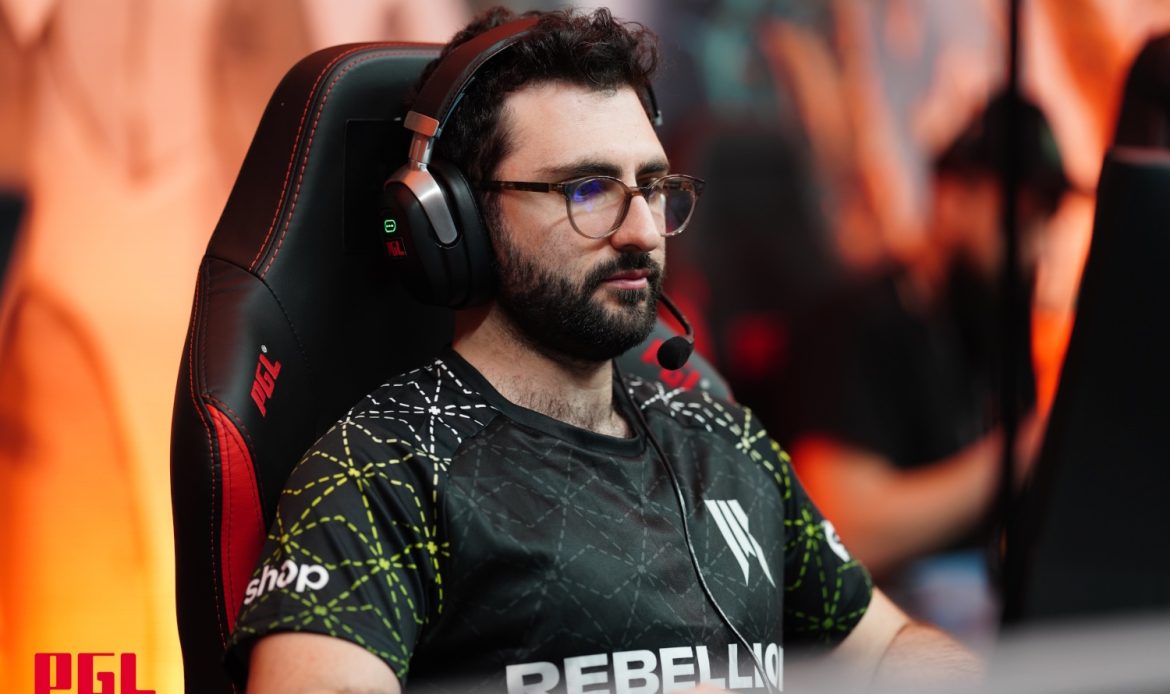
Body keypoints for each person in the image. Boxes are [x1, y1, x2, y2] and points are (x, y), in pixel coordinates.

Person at [226, 7, 978, 693]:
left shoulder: (722, 435)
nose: (643, 231)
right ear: (457, 220)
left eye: (652, 186)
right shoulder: (384, 468)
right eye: (588, 190)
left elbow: (886, 645)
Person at [779, 92, 1067, 640]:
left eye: (1048, 221)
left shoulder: (992, 327)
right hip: (878, 635)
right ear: (953, 197)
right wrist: (1021, 452)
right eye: (1021, 220)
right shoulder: (861, 324)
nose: (1038, 249)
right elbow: (844, 531)